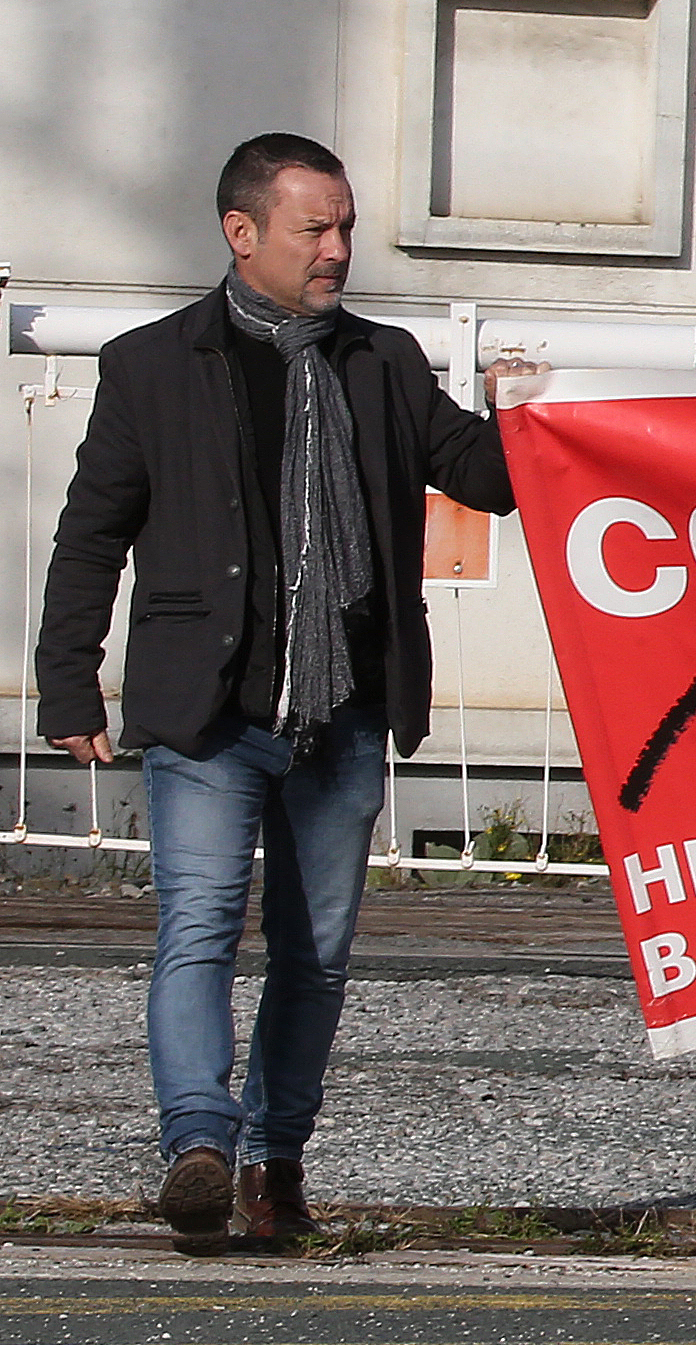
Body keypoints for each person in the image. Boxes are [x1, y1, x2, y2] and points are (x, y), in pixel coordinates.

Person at [35, 133, 517, 1244]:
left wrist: (535, 418)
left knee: (317, 956)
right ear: (241, 232)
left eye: (346, 225)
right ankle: (198, 1142)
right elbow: (91, 535)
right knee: (198, 927)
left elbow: (481, 474)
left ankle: (272, 1166)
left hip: (342, 711)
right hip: (208, 713)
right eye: (317, 228)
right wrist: (69, 682)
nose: (339, 249)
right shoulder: (154, 364)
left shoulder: (383, 362)